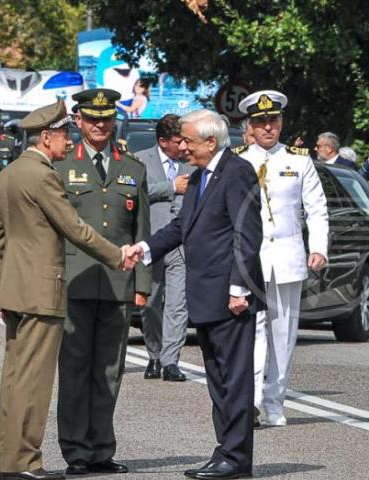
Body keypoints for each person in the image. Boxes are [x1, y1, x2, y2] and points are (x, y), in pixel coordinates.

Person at [0, 100, 138, 480]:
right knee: (34, 383)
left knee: (14, 380)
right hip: (42, 290)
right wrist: (117, 255)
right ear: (46, 136)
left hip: (17, 291)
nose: (67, 141)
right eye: (64, 134)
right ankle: (25, 463)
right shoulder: (43, 175)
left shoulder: (9, 175)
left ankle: (10, 460)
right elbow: (75, 229)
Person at [131, 109, 264, 480]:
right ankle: (226, 452)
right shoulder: (200, 177)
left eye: (188, 140)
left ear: (211, 141)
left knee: (234, 381)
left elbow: (246, 234)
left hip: (230, 297)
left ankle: (235, 459)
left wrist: (239, 288)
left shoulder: (236, 172)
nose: (182, 146)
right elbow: (180, 227)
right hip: (205, 295)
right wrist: (144, 249)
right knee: (218, 379)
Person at [53, 88, 150, 476]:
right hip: (74, 281)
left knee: (109, 369)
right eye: (92, 118)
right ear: (78, 121)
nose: (99, 125)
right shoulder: (60, 168)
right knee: (74, 368)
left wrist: (142, 284)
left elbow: (140, 230)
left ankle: (102, 449)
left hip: (118, 282)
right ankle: (76, 450)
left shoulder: (132, 167)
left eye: (106, 118)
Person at [234, 90, 329, 427]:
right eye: (260, 122)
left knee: (283, 334)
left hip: (287, 258)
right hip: (248, 261)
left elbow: (316, 209)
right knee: (253, 331)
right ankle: (252, 402)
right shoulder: (238, 160)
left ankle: (275, 401)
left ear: (281, 122)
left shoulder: (299, 161)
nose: (268, 127)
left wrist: (318, 247)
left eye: (273, 120)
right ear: (250, 126)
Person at [137, 113, 195, 381]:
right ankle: (154, 354)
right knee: (150, 304)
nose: (183, 146)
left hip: (181, 244)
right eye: (177, 140)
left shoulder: (192, 161)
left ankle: (171, 361)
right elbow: (135, 192)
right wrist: (171, 186)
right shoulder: (140, 160)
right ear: (162, 141)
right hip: (151, 242)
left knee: (177, 304)